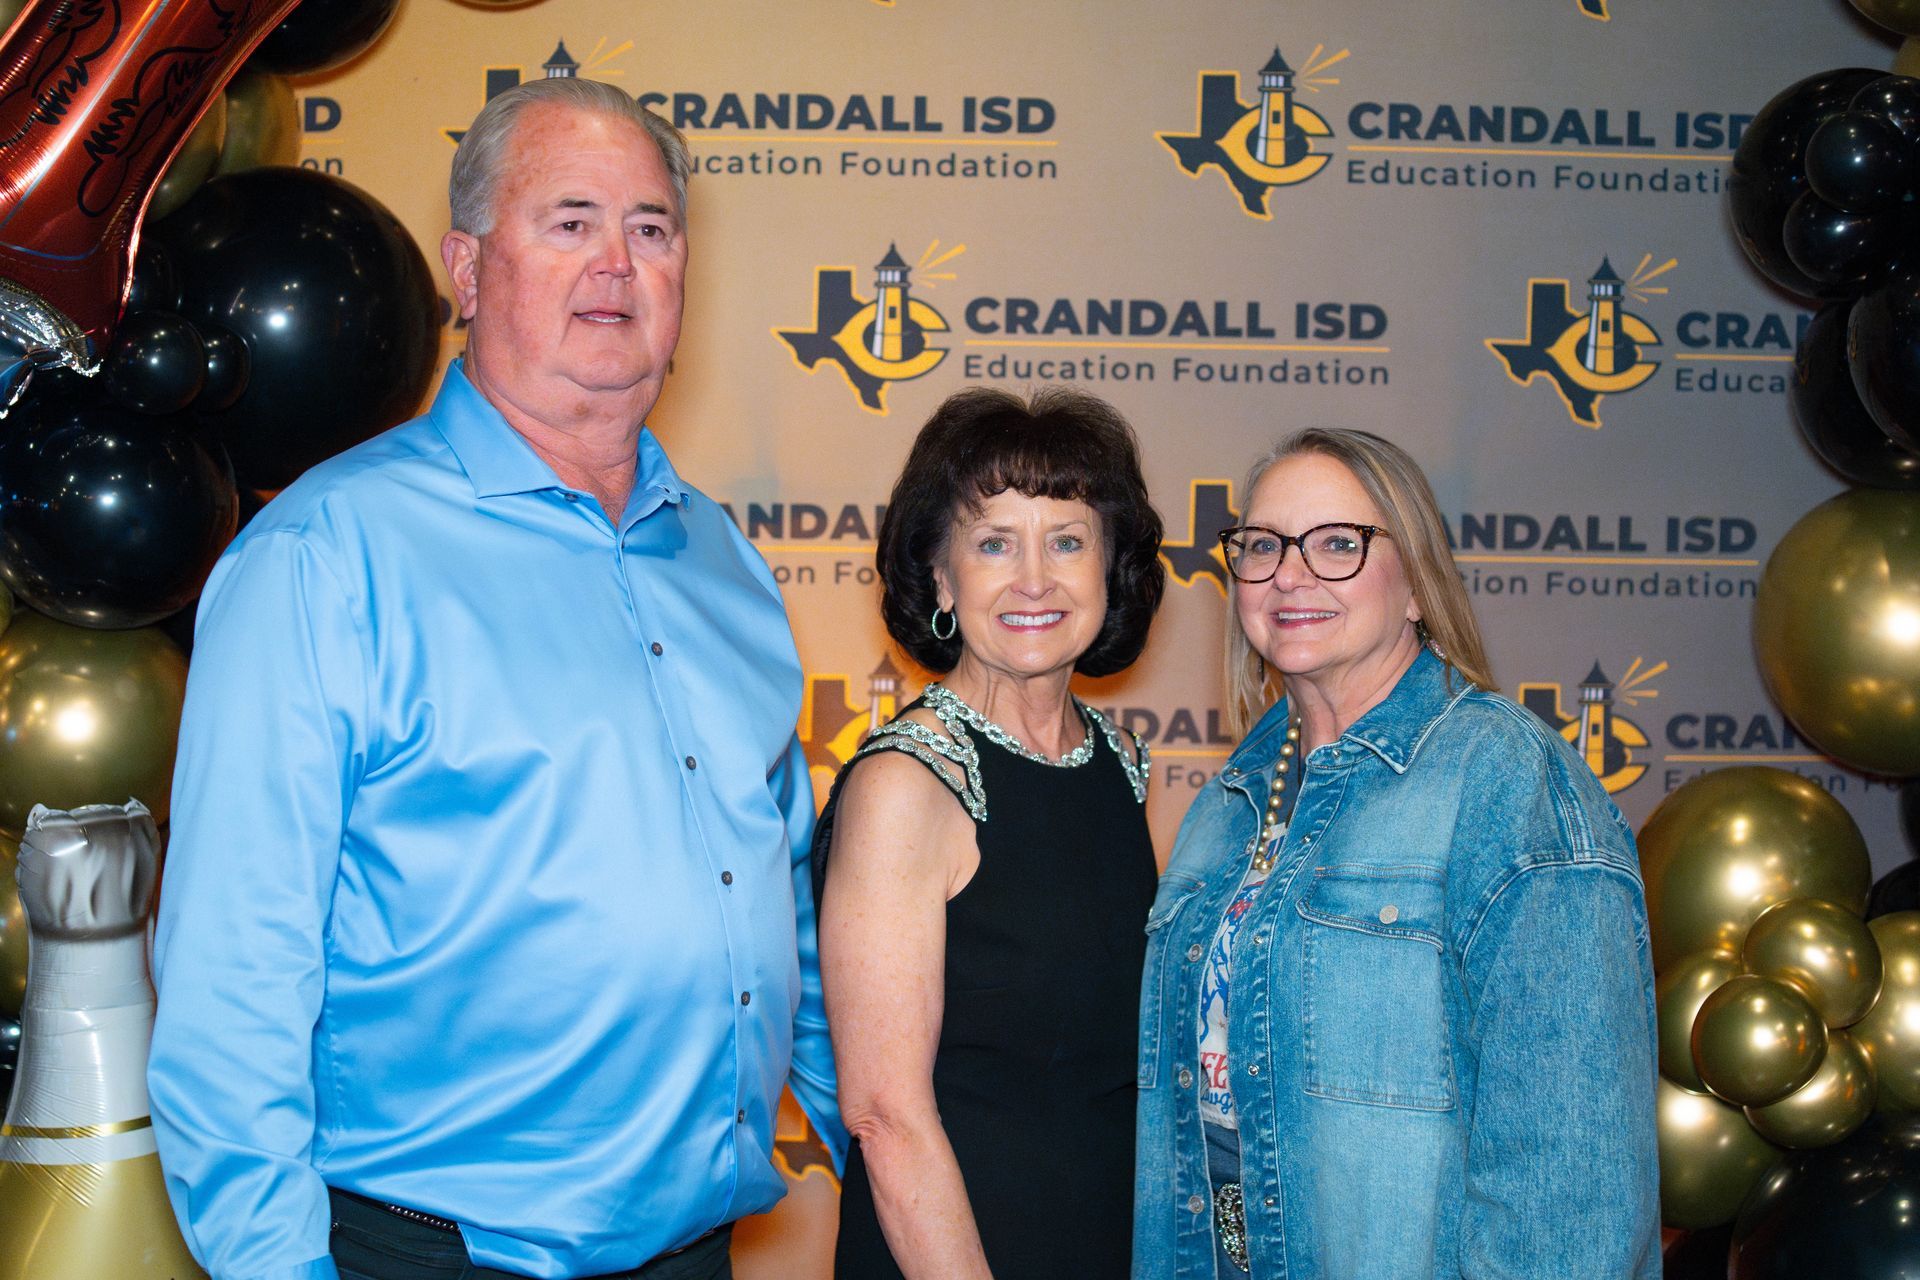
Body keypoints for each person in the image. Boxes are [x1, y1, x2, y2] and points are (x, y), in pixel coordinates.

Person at [147, 76, 844, 1280]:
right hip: (426, 1254)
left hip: (691, 1247)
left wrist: (880, 1132)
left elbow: (779, 895)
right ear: (466, 273)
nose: (617, 266)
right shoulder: (326, 558)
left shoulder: (726, 562)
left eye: (651, 228)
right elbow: (230, 985)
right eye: (570, 222)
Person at [1132, 429, 1659, 1279]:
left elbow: (1569, 1187)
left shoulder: (1506, 783)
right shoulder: (1231, 800)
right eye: (1262, 546)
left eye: (1338, 544)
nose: (1290, 574)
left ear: (1415, 581)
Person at [815, 387, 1164, 1280]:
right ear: (939, 575)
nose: (1035, 580)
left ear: (1111, 567)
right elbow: (886, 1116)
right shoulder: (907, 784)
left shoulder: (1119, 764)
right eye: (994, 543)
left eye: (1068, 541)